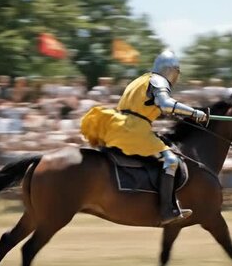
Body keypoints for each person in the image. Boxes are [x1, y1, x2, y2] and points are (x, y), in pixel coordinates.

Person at [80, 49, 208, 225]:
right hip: (134, 129)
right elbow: (165, 104)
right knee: (171, 160)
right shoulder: (158, 80)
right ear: (170, 70)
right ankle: (167, 210)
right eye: (176, 73)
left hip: (118, 125)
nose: (175, 77)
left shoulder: (139, 80)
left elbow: (146, 106)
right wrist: (194, 112)